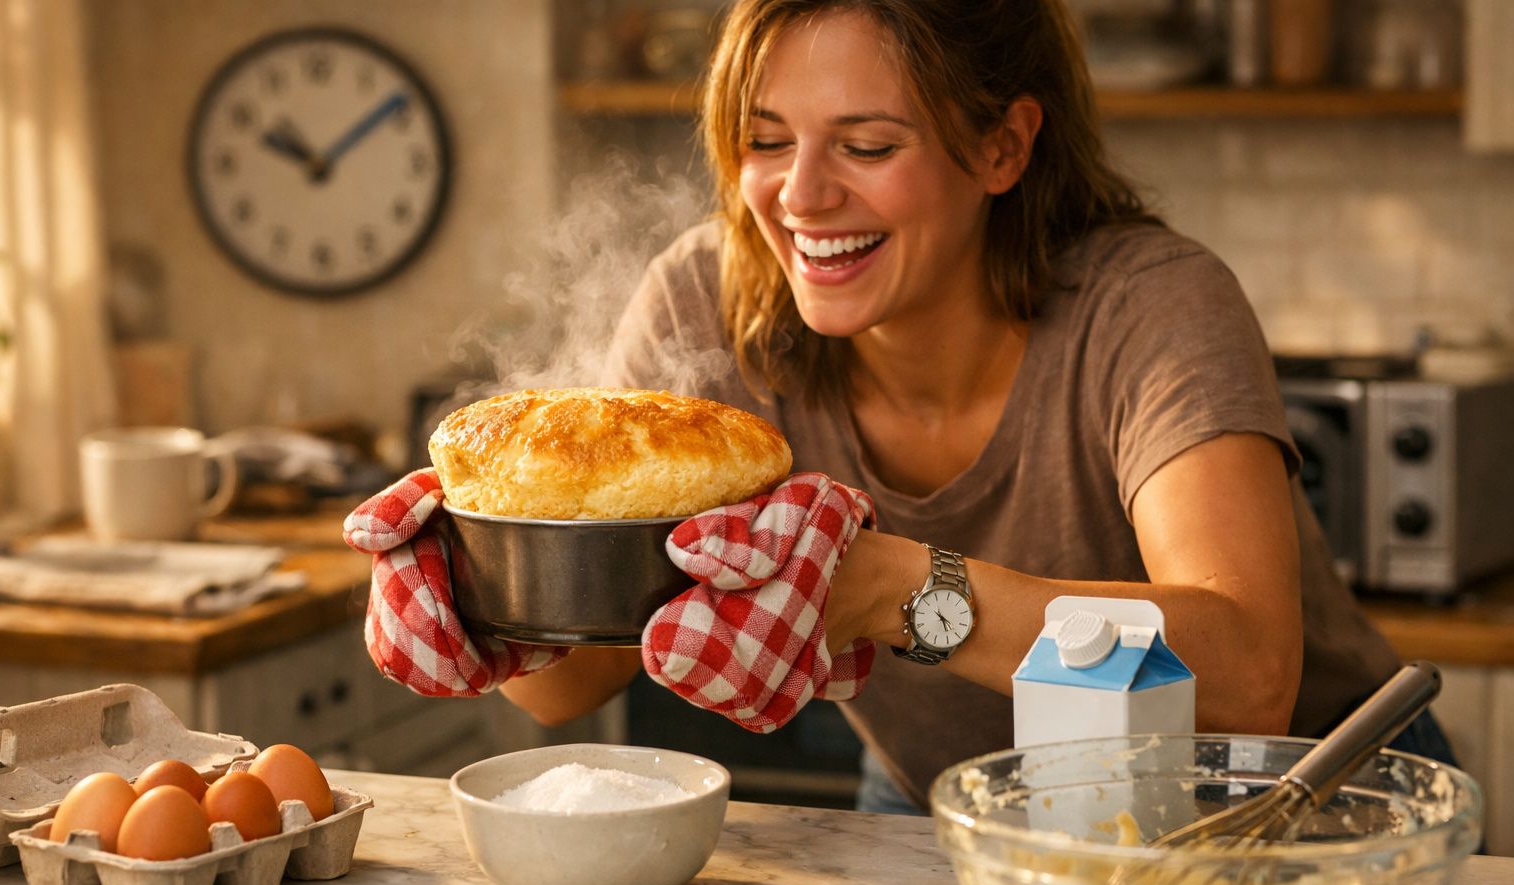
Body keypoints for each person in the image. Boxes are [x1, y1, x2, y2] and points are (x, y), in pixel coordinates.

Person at [353, 0, 1456, 814]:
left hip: (1310, 803)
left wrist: (889, 589)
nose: (802, 196)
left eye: (868, 145)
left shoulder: (1150, 304)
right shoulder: (707, 302)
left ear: (1002, 147)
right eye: (767, 138)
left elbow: (1251, 674)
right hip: (966, 802)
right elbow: (579, 679)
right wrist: (484, 595)